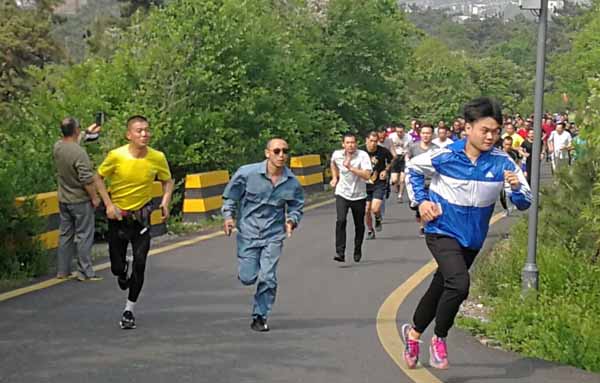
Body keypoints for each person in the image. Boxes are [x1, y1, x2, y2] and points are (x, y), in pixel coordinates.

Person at [401, 97, 531, 370]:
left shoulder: (503, 163)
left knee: (441, 286)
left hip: (473, 238)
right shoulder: (446, 155)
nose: (491, 136)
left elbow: (524, 202)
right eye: (485, 130)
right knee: (459, 284)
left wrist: (517, 187)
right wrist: (421, 201)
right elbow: (412, 168)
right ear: (468, 128)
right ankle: (439, 337)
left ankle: (413, 335)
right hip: (441, 229)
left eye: (496, 131)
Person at [95, 115, 174, 330]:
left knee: (140, 262)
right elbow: (98, 177)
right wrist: (108, 205)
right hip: (118, 217)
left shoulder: (157, 157)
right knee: (117, 267)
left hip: (141, 217)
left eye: (147, 130)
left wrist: (165, 202)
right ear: (128, 135)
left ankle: (129, 310)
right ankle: (122, 272)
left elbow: (167, 180)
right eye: (139, 131)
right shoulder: (116, 156)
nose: (144, 134)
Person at [221, 138, 304, 332]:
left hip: (274, 234)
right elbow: (231, 197)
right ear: (267, 153)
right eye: (277, 151)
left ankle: (260, 316)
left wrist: (291, 220)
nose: (281, 155)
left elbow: (296, 205)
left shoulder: (291, 182)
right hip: (248, 232)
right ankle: (249, 273)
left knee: (268, 277)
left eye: (285, 151)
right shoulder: (247, 173)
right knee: (247, 277)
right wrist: (228, 217)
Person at [53, 117, 103, 281]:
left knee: (65, 234)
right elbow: (86, 180)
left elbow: (75, 140)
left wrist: (88, 133)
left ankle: (62, 270)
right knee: (84, 235)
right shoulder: (79, 153)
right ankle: (85, 271)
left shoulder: (58, 147)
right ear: (75, 130)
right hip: (80, 200)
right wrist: (95, 197)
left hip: (64, 198)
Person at [330, 132, 372, 263]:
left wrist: (351, 168)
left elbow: (366, 175)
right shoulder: (337, 155)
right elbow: (333, 164)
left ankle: (357, 248)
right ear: (343, 144)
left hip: (359, 195)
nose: (350, 145)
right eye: (347, 143)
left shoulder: (363, 155)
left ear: (356, 143)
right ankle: (340, 252)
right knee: (341, 220)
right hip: (342, 193)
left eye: (353, 142)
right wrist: (335, 177)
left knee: (359, 224)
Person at [406, 123, 439, 237]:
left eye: (428, 133)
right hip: (418, 182)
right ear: (420, 134)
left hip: (432, 182)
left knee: (431, 205)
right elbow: (408, 161)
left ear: (432, 135)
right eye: (424, 133)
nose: (426, 135)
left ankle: (425, 227)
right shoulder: (413, 147)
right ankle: (421, 220)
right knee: (417, 205)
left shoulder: (436, 149)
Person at [364, 131, 393, 240]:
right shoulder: (361, 152)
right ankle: (370, 230)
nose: (373, 143)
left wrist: (386, 170)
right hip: (365, 184)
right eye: (371, 141)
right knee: (366, 210)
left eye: (375, 141)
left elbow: (391, 160)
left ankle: (378, 218)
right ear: (366, 140)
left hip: (378, 183)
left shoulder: (383, 151)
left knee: (375, 209)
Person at [384, 123, 411, 203]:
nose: (399, 133)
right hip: (395, 157)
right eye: (398, 132)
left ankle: (400, 196)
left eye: (401, 132)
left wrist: (408, 156)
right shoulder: (391, 137)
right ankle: (397, 185)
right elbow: (388, 147)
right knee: (395, 179)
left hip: (404, 157)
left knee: (402, 179)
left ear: (404, 131)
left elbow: (411, 149)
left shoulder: (409, 138)